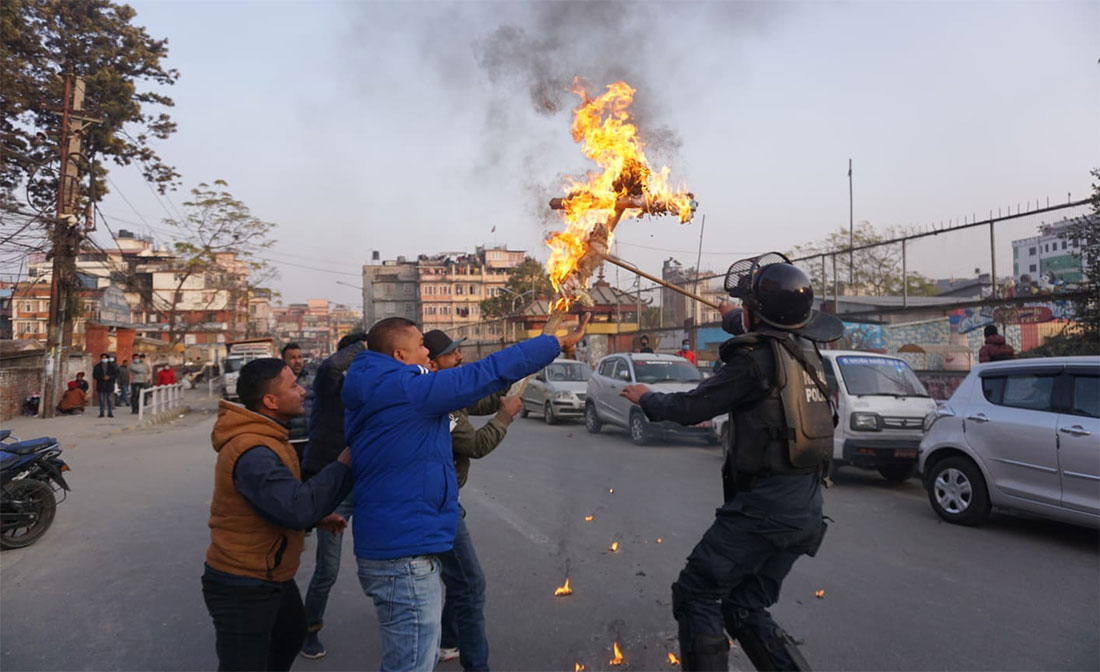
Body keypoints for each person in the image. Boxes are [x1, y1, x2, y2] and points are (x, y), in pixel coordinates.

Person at [620, 254, 839, 672]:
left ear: (758, 312)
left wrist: (646, 397)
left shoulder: (752, 362)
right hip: (804, 509)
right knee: (742, 605)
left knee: (696, 592)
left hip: (764, 512)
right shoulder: (807, 352)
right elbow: (770, 336)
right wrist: (737, 318)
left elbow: (691, 406)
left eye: (749, 306)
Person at [342, 314, 589, 672]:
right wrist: (554, 344)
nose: (428, 351)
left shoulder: (382, 386)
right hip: (404, 554)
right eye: (421, 345)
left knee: (418, 654)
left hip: (405, 542)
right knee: (409, 665)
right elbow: (484, 373)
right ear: (399, 354)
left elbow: (479, 390)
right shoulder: (406, 390)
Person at [202, 357, 354, 672]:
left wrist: (317, 517)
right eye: (293, 385)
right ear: (270, 401)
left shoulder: (270, 438)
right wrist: (343, 465)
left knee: (289, 635)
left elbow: (277, 500)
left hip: (270, 574)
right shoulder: (253, 451)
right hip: (243, 583)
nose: (304, 392)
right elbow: (295, 507)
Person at [424, 329, 524, 671]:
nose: (460, 358)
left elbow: (477, 400)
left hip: (440, 501)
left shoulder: (446, 394)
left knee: (458, 580)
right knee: (469, 582)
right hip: (437, 505)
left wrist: (506, 387)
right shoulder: (438, 404)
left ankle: (449, 640)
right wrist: (505, 417)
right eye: (452, 354)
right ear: (434, 364)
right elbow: (476, 445)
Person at [298, 332, 369, 660]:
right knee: (327, 568)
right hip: (333, 487)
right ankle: (309, 629)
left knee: (384, 559)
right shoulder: (331, 389)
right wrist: (366, 346)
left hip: (367, 485)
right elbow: (328, 368)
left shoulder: (373, 391)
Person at [281, 342, 314, 464]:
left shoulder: (312, 380)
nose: (298, 361)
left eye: (300, 357)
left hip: (310, 440)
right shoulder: (278, 383)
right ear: (284, 360)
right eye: (293, 358)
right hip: (289, 441)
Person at [92, 353, 119, 418]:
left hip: (109, 385)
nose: (104, 359)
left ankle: (110, 412)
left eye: (105, 358)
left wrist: (109, 377)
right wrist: (102, 377)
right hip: (101, 385)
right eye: (103, 358)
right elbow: (95, 375)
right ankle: (101, 412)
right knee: (101, 400)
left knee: (109, 399)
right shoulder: (97, 366)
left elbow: (116, 374)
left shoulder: (112, 366)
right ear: (101, 359)